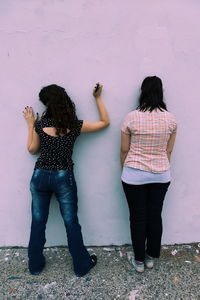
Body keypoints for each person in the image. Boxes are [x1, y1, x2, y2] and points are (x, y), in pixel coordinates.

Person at [23, 83, 109, 277]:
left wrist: (30, 125)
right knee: (71, 222)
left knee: (38, 221)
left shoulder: (40, 125)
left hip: (40, 176)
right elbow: (105, 122)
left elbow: (31, 149)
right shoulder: (74, 125)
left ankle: (35, 266)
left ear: (47, 105)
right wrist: (97, 98)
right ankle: (81, 265)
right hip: (63, 176)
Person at [120, 76, 177, 273]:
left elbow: (124, 149)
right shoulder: (170, 119)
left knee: (137, 217)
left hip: (133, 174)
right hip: (161, 174)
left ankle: (138, 261)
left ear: (142, 92)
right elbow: (169, 151)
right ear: (161, 92)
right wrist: (159, 166)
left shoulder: (131, 117)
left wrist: (125, 169)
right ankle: (151, 257)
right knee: (155, 216)